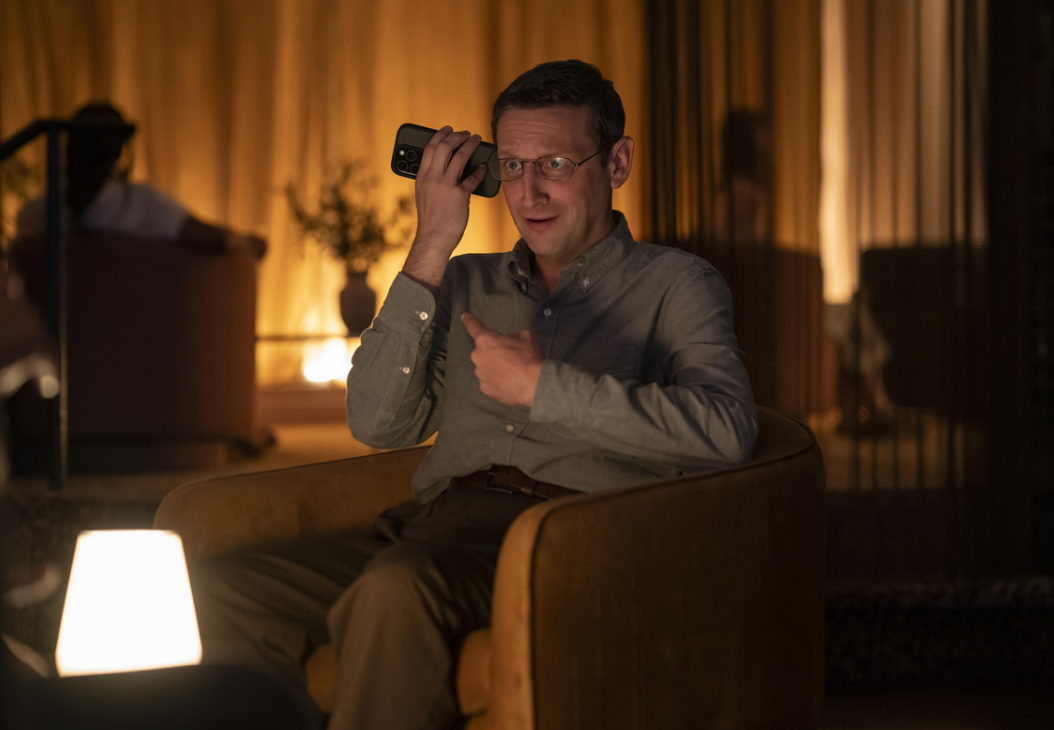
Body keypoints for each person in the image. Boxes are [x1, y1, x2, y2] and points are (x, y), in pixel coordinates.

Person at [191, 60, 757, 730]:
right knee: (208, 592)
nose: (529, 192)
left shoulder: (677, 284)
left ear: (617, 162)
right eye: (511, 166)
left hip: (567, 539)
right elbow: (375, 423)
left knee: (396, 586)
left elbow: (727, 431)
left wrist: (545, 389)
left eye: (554, 164)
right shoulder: (462, 282)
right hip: (434, 524)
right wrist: (431, 246)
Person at [14, 102, 265, 258]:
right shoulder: (142, 203)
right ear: (118, 152)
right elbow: (212, 239)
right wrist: (247, 243)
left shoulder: (35, 214)